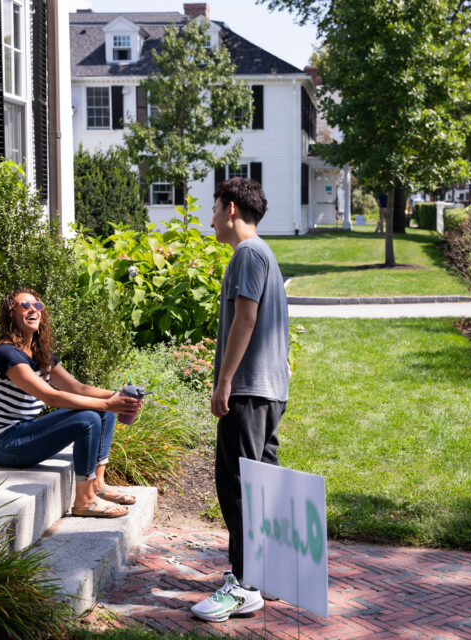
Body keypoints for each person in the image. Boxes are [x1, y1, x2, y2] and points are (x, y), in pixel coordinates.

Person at [191, 178, 289, 623]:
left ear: (230, 208)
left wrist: (224, 380)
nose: (210, 218)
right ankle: (265, 574)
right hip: (268, 390)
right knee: (260, 488)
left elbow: (245, 320)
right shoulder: (263, 253)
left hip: (248, 389)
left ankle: (244, 585)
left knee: (238, 487)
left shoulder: (247, 253)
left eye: (213, 208)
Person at [0, 289, 143, 518]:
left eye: (37, 305)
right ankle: (84, 501)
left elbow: (78, 388)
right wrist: (108, 404)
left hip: (24, 432)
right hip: (3, 443)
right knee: (90, 417)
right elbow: (51, 397)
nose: (33, 309)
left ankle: (98, 485)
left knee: (104, 406)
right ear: (11, 314)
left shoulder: (40, 354)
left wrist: (119, 398)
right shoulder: (6, 353)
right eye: (24, 305)